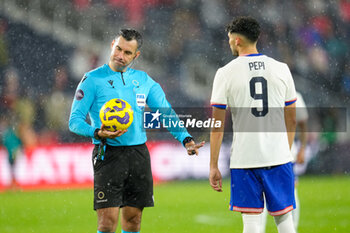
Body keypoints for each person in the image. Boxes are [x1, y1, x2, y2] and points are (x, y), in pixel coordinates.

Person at [69, 29, 204, 233]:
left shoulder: (144, 80)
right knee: (107, 223)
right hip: (108, 154)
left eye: (127, 53)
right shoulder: (92, 79)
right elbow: (74, 121)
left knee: (133, 221)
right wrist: (97, 132)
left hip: (138, 155)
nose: (120, 56)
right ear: (112, 44)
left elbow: (165, 113)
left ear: (136, 55)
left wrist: (185, 139)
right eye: (118, 49)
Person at [209, 16, 297, 233]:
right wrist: (283, 151)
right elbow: (292, 118)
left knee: (251, 222)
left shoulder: (225, 73)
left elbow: (217, 126)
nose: (229, 42)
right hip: (277, 157)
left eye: (230, 39)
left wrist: (213, 165)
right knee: (284, 220)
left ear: (237, 40)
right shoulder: (281, 68)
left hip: (245, 159)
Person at [260, 91, 308, 233]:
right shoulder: (289, 95)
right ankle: (291, 228)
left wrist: (302, 149)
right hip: (276, 153)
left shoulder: (292, 95)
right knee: (289, 193)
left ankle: (292, 227)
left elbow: (301, 123)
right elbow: (301, 122)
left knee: (286, 193)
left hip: (281, 153)